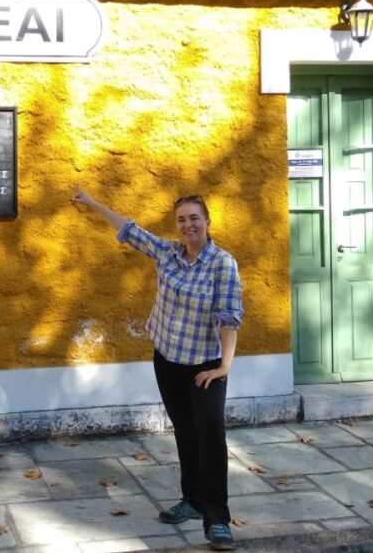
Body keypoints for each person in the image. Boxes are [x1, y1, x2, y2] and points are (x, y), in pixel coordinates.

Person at [70, 187, 243, 552]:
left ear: (207, 222)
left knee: (211, 436)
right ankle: (192, 500)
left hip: (205, 366)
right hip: (168, 359)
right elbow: (130, 230)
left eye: (194, 217)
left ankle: (217, 520)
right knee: (186, 432)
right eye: (182, 219)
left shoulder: (222, 263)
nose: (188, 224)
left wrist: (225, 366)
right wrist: (92, 202)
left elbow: (229, 316)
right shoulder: (166, 252)